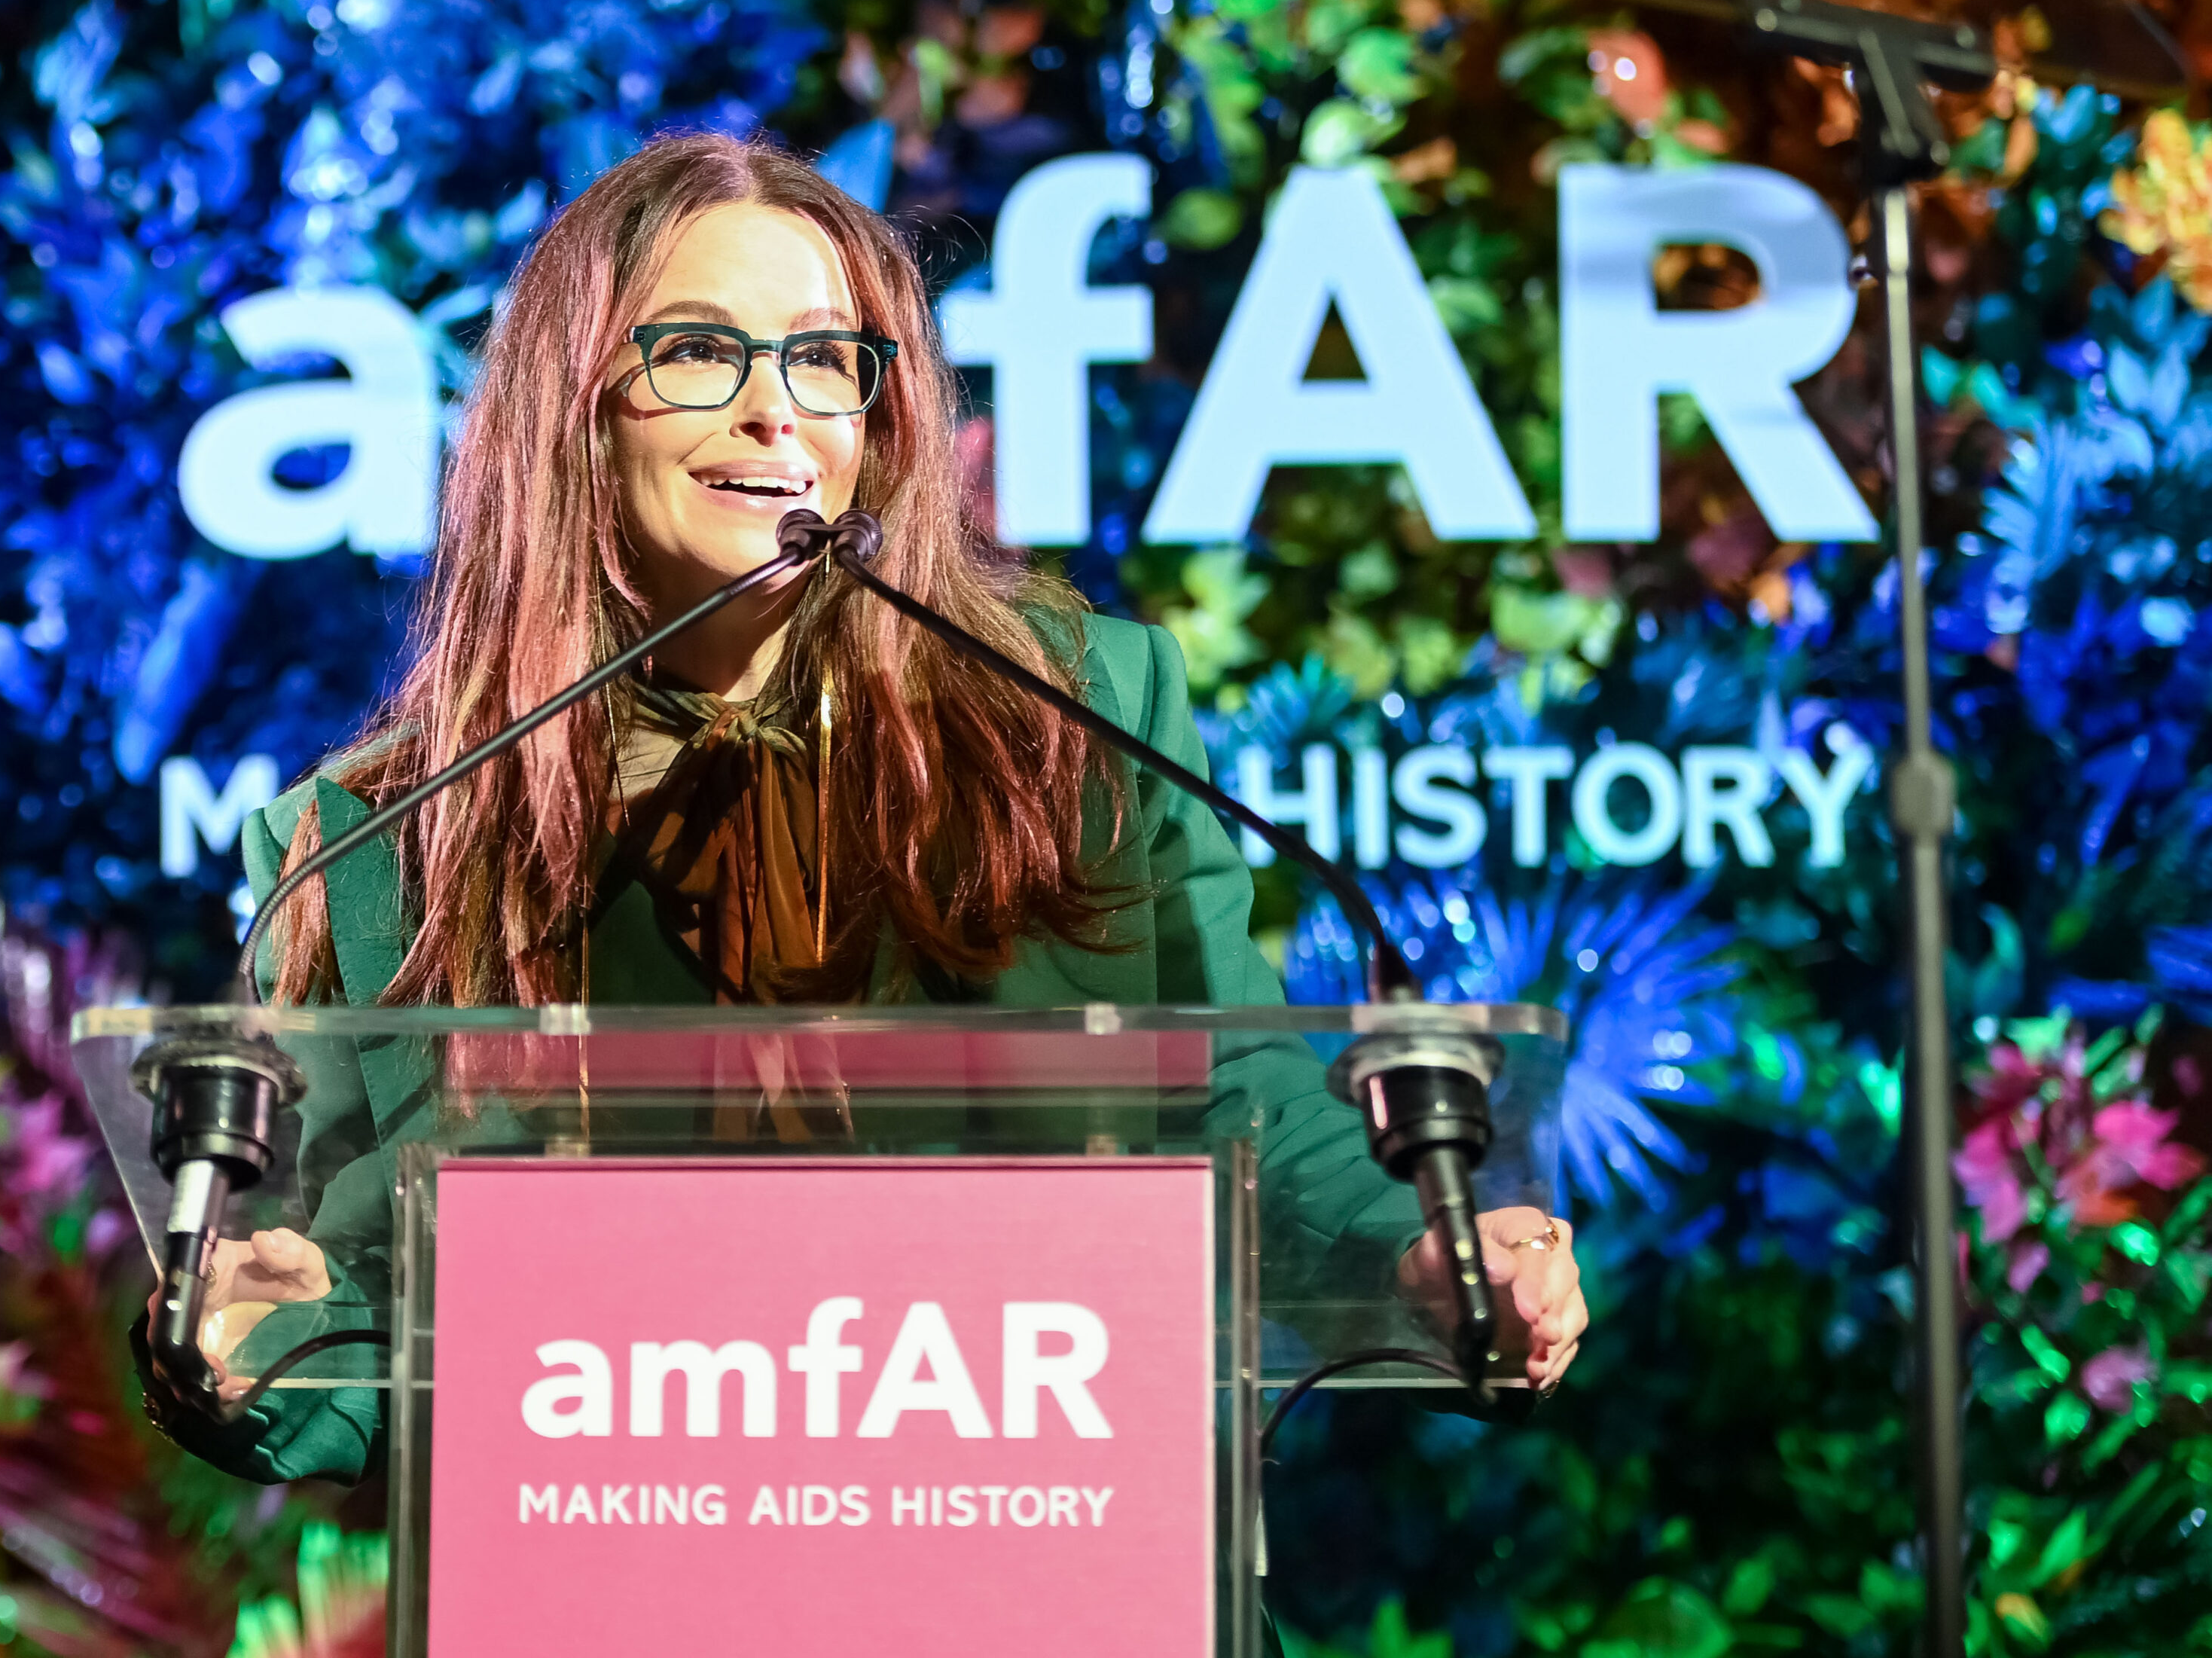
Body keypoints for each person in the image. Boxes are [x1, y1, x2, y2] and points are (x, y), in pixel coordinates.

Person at [134, 132, 1585, 1481]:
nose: (779, 405)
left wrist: (1421, 1255)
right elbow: (354, 1301)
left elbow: (1236, 1103)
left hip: (1043, 1539)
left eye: (829, 359)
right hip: (624, 1566)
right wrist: (255, 1356)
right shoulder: (386, 837)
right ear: (567, 409)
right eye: (700, 349)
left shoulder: (1070, 715)